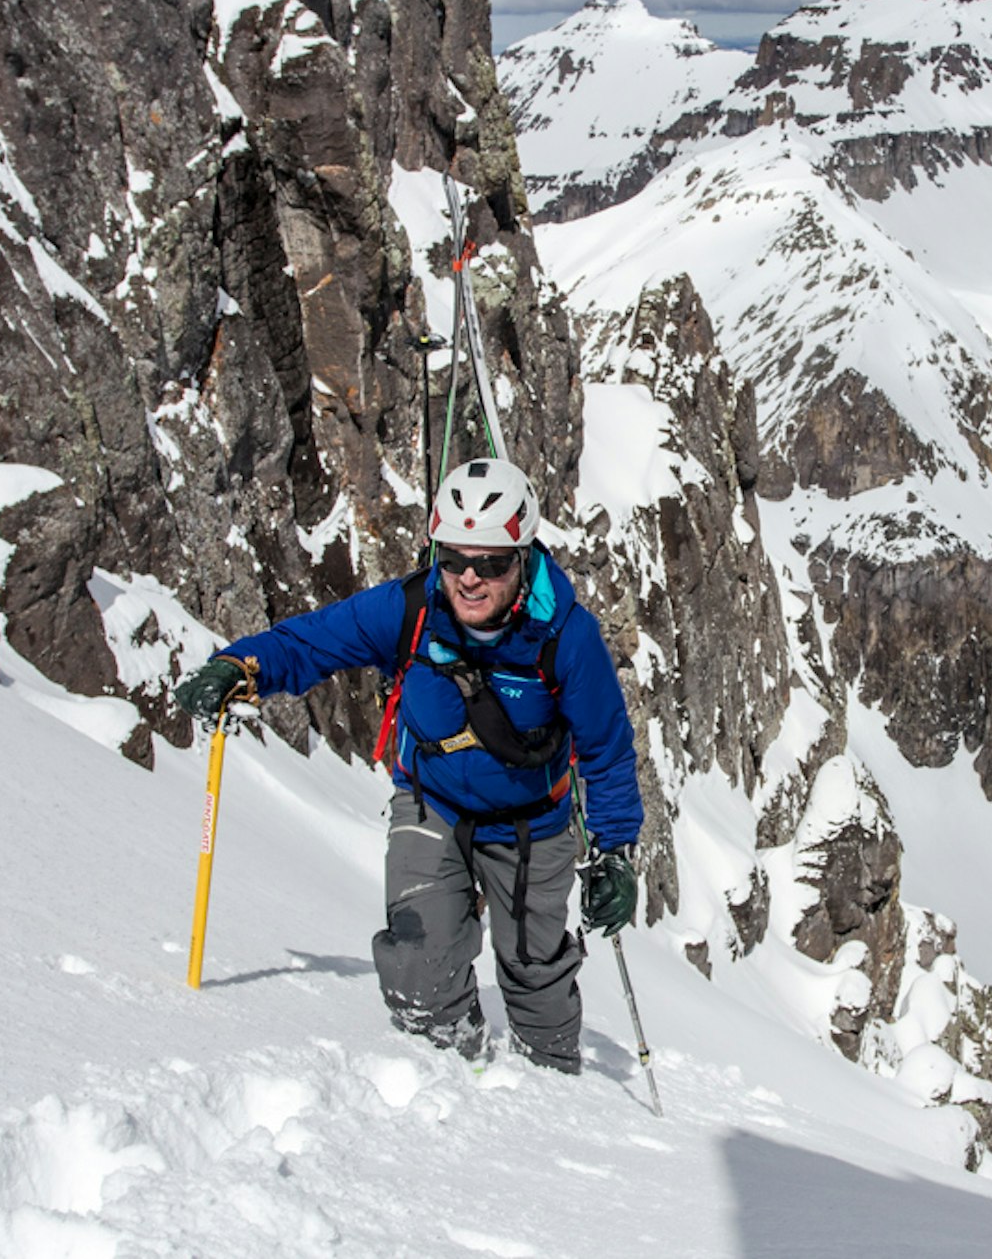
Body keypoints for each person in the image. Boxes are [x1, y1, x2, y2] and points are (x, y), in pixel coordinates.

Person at [174, 457, 642, 1071]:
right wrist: (243, 667)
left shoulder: (565, 638)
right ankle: (445, 1072)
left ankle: (548, 1084)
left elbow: (605, 749)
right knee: (419, 957)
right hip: (432, 800)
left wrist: (615, 852)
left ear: (523, 558)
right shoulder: (411, 610)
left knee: (534, 966)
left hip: (531, 819)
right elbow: (311, 642)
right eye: (453, 559)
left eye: (492, 562)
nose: (469, 579)